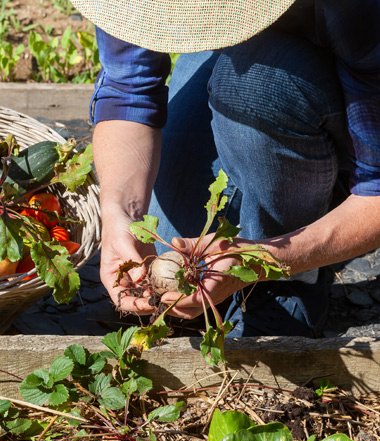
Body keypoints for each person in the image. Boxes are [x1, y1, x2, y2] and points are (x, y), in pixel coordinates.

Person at [71, 0, 380, 338]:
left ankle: (296, 269)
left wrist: (262, 259)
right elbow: (127, 89)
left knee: (256, 89)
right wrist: (120, 213)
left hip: (352, 81)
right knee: (167, 248)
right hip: (233, 57)